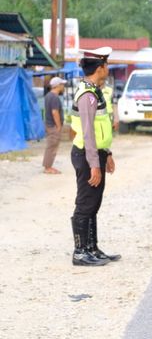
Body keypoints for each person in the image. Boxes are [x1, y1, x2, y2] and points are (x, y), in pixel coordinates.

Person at [69, 47, 121, 266]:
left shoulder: (96, 91)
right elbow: (88, 133)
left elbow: (101, 130)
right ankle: (80, 251)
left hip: (96, 153)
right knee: (85, 203)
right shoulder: (88, 95)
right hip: (86, 155)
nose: (107, 68)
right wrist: (94, 165)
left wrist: (106, 153)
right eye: (106, 65)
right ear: (99, 68)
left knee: (94, 202)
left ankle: (92, 248)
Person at [43, 77, 66, 174]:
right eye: (62, 84)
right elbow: (54, 112)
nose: (63, 86)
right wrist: (59, 126)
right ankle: (48, 167)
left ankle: (47, 166)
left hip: (49, 125)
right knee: (52, 146)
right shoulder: (54, 97)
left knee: (51, 145)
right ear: (58, 85)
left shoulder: (48, 96)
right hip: (53, 126)